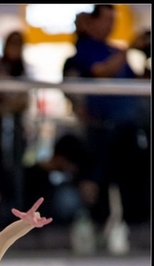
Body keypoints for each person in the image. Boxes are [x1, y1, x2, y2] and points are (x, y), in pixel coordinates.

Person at [62, 5, 150, 228]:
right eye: (106, 19)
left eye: (113, 19)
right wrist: (129, 48)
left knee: (132, 186)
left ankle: (134, 228)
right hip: (101, 128)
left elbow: (135, 81)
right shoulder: (85, 50)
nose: (110, 25)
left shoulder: (115, 50)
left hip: (127, 128)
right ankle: (98, 229)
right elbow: (100, 72)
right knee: (99, 188)